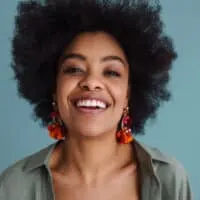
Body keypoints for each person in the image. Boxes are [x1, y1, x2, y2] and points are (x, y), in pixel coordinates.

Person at [0, 0, 192, 199]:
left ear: (128, 94)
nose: (91, 82)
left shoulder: (169, 178)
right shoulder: (13, 186)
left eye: (111, 72)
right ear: (54, 89)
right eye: (74, 69)